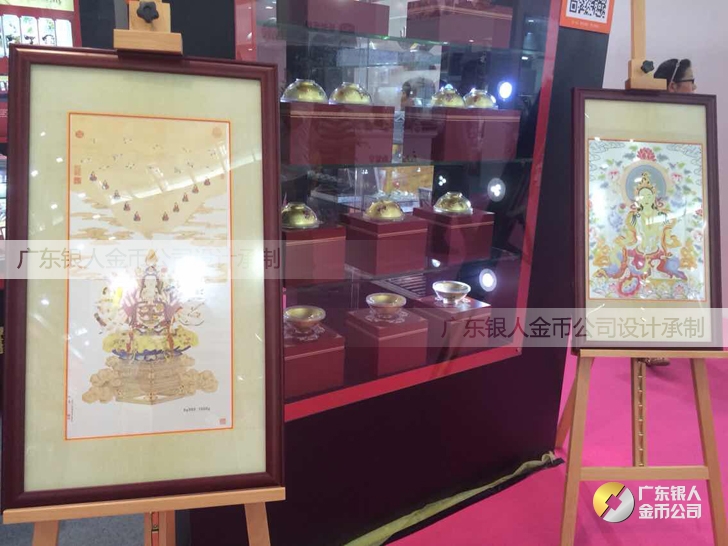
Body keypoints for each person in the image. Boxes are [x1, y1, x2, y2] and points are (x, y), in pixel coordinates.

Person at [639, 59, 696, 368]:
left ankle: (659, 336)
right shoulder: (652, 120)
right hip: (652, 210)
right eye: (690, 81)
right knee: (650, 266)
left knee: (669, 268)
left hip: (676, 210)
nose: (694, 87)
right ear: (673, 86)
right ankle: (647, 340)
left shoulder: (687, 120)